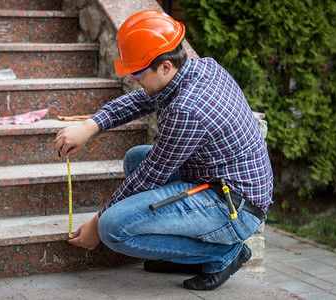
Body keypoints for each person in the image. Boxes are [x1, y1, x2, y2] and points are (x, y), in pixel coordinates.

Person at [53, 10, 273, 291]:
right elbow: (140, 101)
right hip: (215, 180)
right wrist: (91, 125)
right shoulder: (202, 67)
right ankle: (187, 255)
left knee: (113, 228)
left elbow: (151, 176)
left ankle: (223, 254)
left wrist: (96, 223)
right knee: (135, 158)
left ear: (166, 66)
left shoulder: (187, 109)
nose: (133, 78)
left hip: (233, 208)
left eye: (137, 72)